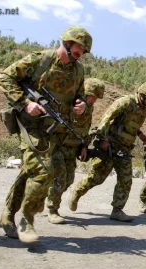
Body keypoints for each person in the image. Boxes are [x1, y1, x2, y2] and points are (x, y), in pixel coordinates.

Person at [0, 26, 92, 243]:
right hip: (30, 126)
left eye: (85, 50)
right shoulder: (41, 60)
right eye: (80, 47)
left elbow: (81, 96)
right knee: (43, 172)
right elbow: (5, 78)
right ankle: (26, 221)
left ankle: (6, 216)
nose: (82, 52)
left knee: (28, 172)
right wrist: (24, 103)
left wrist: (82, 105)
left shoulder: (78, 71)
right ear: (67, 42)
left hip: (55, 132)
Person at [68, 82, 146, 222]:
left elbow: (128, 124)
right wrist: (103, 139)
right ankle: (77, 191)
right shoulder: (126, 101)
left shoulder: (142, 109)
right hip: (110, 146)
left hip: (124, 150)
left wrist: (140, 134)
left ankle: (117, 210)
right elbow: (107, 118)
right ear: (143, 95)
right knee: (97, 178)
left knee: (126, 180)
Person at [46, 78, 105, 224]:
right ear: (87, 93)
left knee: (69, 180)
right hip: (59, 146)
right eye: (94, 97)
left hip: (73, 149)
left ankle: (47, 193)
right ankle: (53, 210)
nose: (95, 100)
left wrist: (84, 146)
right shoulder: (73, 104)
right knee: (60, 179)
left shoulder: (90, 107)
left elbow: (86, 128)